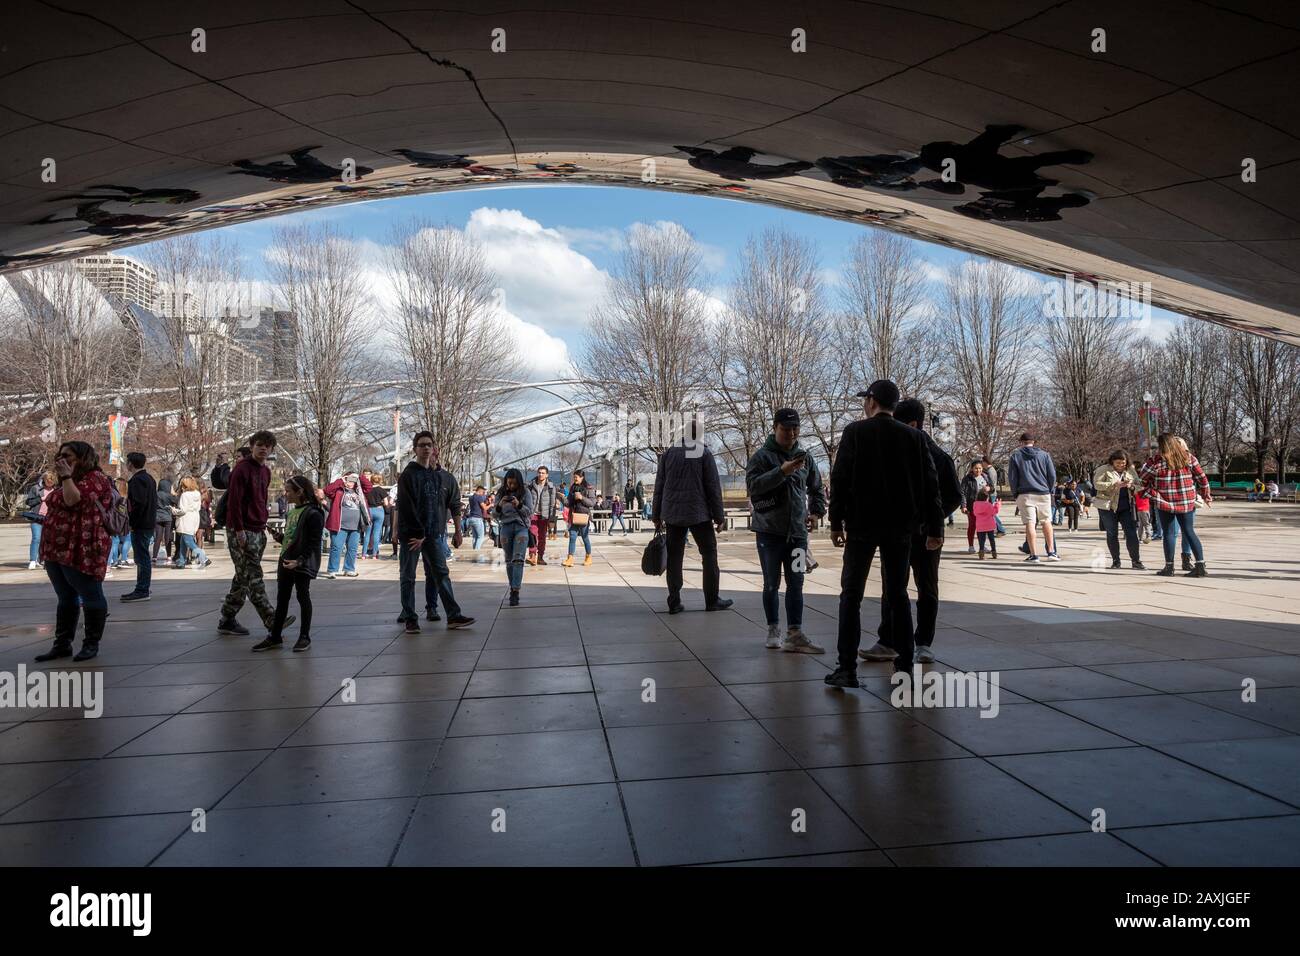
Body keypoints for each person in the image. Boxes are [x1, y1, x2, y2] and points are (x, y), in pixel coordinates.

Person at [824, 380, 943, 689]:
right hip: (900, 528)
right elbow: (931, 486)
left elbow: (840, 480)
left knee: (851, 595)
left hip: (862, 525)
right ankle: (904, 667)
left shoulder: (854, 433)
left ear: (873, 401)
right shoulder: (915, 437)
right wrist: (935, 528)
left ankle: (846, 667)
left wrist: (836, 522)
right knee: (899, 596)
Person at [861, 397, 962, 665]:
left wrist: (931, 521)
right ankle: (888, 640)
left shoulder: (939, 457)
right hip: (898, 532)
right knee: (892, 586)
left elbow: (953, 496)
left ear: (913, 424)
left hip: (925, 533)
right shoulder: (899, 452)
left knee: (926, 587)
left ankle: (924, 642)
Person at [745, 408, 824, 651]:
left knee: (796, 582)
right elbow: (754, 487)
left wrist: (816, 511)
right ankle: (773, 628)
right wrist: (782, 472)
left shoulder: (805, 457)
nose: (791, 433)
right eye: (786, 429)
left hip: (798, 535)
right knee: (771, 583)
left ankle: (795, 633)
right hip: (769, 533)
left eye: (795, 429)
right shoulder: (761, 457)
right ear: (775, 428)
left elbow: (816, 488)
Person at [34, 441, 114, 662]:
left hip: (82, 548)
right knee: (65, 596)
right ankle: (62, 644)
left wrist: (67, 477)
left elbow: (72, 500)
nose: (62, 460)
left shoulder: (96, 479)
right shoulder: (66, 481)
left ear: (83, 458)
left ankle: (91, 644)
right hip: (56, 548)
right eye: (59, 455)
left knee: (90, 594)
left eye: (68, 456)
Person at [396, 432, 473, 632]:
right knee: (408, 576)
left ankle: (453, 615)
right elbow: (406, 506)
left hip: (431, 534)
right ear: (415, 450)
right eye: (422, 445)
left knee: (441, 573)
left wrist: (449, 531)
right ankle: (410, 617)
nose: (426, 448)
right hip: (412, 534)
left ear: (433, 448)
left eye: (429, 445)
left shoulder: (436, 476)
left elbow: (438, 507)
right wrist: (417, 532)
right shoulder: (408, 475)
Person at [655, 423, 731, 612]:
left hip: (673, 514)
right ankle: (712, 600)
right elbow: (713, 487)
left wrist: (656, 514)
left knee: (674, 557)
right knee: (709, 554)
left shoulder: (669, 454)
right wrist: (719, 516)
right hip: (699, 513)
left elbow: (659, 485)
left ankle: (674, 601)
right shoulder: (703, 453)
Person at [217, 431, 283, 636]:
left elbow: (261, 500)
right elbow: (235, 502)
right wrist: (238, 531)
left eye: (267, 446)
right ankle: (272, 620)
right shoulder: (242, 469)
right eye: (259, 445)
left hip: (257, 530)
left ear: (271, 449)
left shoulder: (265, 472)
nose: (263, 449)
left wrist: (264, 525)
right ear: (252, 446)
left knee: (242, 577)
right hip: (241, 530)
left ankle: (227, 618)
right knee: (253, 576)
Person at [255, 474, 325, 652]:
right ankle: (275, 636)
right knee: (282, 599)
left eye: (288, 491)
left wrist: (300, 561)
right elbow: (292, 537)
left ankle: (304, 636)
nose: (285, 494)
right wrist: (279, 536)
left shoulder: (314, 513)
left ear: (300, 491)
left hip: (300, 563)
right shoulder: (294, 511)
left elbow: (314, 543)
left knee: (303, 596)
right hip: (286, 560)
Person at [1141, 432, 1212, 577]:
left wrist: (1151, 488)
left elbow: (1142, 479)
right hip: (1186, 501)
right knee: (1189, 531)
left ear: (1161, 446)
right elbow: (1202, 478)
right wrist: (1206, 495)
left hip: (1165, 501)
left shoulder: (1155, 461)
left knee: (1168, 533)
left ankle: (1169, 567)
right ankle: (1200, 565)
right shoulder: (1188, 458)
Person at [1008, 432, 1059, 562]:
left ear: (1021, 442)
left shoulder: (1016, 456)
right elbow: (1052, 475)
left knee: (1030, 523)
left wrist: (1015, 493)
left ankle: (1034, 554)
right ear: (1033, 442)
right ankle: (1051, 552)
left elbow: (1012, 478)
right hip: (1043, 492)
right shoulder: (1044, 455)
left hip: (1025, 493)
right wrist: (1050, 490)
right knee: (1047, 522)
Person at [1093, 450, 1144, 570]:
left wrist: (1131, 486)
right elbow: (1097, 484)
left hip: (1126, 506)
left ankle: (1136, 560)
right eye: (1117, 463)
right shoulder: (1104, 469)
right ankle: (1116, 561)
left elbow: (1139, 485)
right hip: (1108, 506)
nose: (1120, 465)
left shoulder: (1130, 470)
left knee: (1131, 534)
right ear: (1112, 461)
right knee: (1112, 534)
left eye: (1123, 463)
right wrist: (1114, 484)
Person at [120, 451, 158, 601]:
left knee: (142, 558)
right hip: (147, 522)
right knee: (143, 557)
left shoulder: (137, 480)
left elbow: (138, 504)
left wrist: (132, 523)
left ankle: (142, 589)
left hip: (141, 524)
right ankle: (143, 587)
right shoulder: (149, 478)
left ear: (131, 463)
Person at [494, 468, 535, 606]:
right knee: (509, 560)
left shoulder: (525, 492)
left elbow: (530, 512)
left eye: (514, 483)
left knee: (518, 559)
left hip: (521, 528)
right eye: (509, 483)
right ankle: (512, 586)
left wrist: (519, 505)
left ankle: (515, 591)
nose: (511, 486)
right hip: (505, 528)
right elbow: (494, 514)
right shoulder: (501, 493)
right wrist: (500, 505)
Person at [323, 471, 371, 578]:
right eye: (349, 480)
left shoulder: (359, 491)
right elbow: (327, 490)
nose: (351, 482)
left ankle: (349, 569)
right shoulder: (338, 490)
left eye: (353, 480)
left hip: (356, 526)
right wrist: (341, 480)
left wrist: (359, 476)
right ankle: (332, 570)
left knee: (353, 548)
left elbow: (369, 486)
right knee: (336, 547)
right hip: (339, 525)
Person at [173, 476, 211, 570]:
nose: (182, 487)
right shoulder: (197, 494)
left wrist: (173, 511)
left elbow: (183, 510)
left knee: (188, 541)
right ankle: (181, 562)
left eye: (183, 485)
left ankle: (204, 558)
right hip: (194, 517)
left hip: (186, 519)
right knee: (183, 541)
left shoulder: (184, 495)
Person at [23, 471, 57, 570]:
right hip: (37, 517)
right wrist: (41, 499)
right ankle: (33, 560)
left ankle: (43, 560)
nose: (50, 484)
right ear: (44, 480)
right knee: (36, 538)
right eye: (48, 482)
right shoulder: (36, 488)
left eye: (52, 482)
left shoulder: (56, 490)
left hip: (50, 519)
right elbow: (29, 502)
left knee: (48, 541)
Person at [562, 470, 595, 567]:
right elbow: (569, 503)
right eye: (574, 477)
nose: (575, 479)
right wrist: (563, 499)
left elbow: (592, 503)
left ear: (582, 477)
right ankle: (570, 558)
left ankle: (588, 557)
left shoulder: (589, 488)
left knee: (585, 538)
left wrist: (581, 497)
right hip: (573, 515)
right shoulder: (572, 487)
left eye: (576, 477)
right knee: (572, 537)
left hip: (584, 516)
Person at [527, 466, 558, 564]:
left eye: (543, 473)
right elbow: (527, 499)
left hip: (544, 516)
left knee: (542, 537)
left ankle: (540, 557)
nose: (541, 474)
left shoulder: (551, 487)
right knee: (532, 535)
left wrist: (552, 518)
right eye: (539, 472)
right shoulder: (531, 485)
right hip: (533, 514)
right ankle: (532, 556)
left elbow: (553, 503)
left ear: (547, 475)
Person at [958, 461, 985, 553]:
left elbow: (992, 489)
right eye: (976, 468)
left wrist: (990, 489)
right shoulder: (967, 479)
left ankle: (982, 545)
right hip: (972, 506)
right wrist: (963, 505)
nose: (978, 470)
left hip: (984, 506)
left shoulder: (985, 477)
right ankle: (971, 546)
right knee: (972, 525)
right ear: (972, 469)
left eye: (980, 468)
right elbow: (962, 493)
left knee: (983, 527)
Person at [106, 479, 131, 573]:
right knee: (127, 540)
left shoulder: (112, 494)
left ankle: (114, 560)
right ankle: (123, 559)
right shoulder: (125, 496)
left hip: (113, 522)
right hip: (123, 522)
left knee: (115, 541)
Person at [981, 454, 1007, 536]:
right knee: (991, 513)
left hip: (991, 494)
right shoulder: (990, 470)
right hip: (991, 494)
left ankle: (1001, 529)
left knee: (992, 513)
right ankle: (997, 529)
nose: (982, 464)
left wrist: (988, 491)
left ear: (985, 462)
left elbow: (991, 484)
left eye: (982, 462)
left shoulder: (990, 471)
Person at [363, 471, 387, 559]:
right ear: (380, 480)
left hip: (369, 511)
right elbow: (386, 503)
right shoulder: (381, 490)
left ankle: (363, 554)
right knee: (376, 534)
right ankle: (374, 554)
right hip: (379, 511)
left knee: (367, 533)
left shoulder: (367, 490)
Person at [152, 477, 176, 564]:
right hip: (167, 518)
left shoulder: (155, 494)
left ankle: (154, 556)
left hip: (157, 517)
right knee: (167, 537)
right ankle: (169, 555)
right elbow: (176, 501)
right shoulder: (169, 495)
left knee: (158, 538)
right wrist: (174, 494)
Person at [973, 487, 999, 558]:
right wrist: (997, 505)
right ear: (986, 498)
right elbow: (994, 512)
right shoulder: (988, 504)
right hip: (989, 525)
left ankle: (981, 552)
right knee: (991, 539)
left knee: (981, 540)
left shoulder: (975, 504)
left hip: (980, 525)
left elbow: (975, 513)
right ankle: (994, 552)